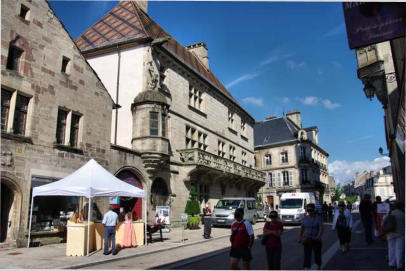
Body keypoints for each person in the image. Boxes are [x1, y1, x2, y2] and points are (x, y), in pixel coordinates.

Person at [298, 203, 323, 270]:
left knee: (317, 254)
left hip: (316, 239)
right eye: (308, 211)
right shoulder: (304, 218)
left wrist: (319, 236)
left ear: (314, 210)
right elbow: (302, 228)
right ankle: (306, 267)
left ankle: (318, 265)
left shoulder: (318, 218)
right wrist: (300, 237)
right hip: (307, 239)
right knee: (307, 254)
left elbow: (321, 228)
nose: (309, 212)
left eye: (311, 211)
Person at [385, 201, 405, 270]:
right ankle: (399, 265)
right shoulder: (402, 214)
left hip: (390, 234)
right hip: (400, 234)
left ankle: (392, 263)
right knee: (399, 250)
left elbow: (383, 223)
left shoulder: (390, 213)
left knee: (391, 249)